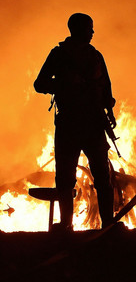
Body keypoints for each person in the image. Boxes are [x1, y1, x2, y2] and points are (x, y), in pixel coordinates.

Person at [34, 13, 117, 230]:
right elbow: (39, 84)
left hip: (94, 124)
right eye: (89, 28)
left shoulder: (96, 56)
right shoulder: (58, 55)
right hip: (69, 124)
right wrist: (64, 84)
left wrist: (109, 111)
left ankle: (108, 223)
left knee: (102, 176)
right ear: (77, 29)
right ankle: (66, 224)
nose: (92, 32)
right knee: (65, 178)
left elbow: (106, 87)